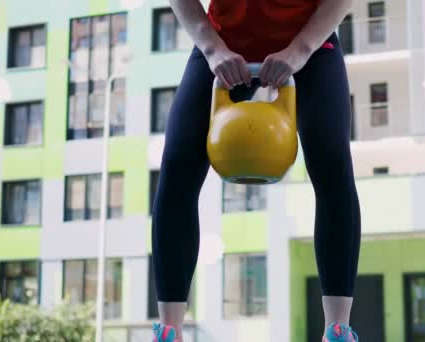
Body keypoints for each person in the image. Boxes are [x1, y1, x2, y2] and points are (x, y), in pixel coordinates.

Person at [151, 0, 361, 341]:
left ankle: (337, 329)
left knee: (332, 159)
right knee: (177, 166)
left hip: (310, 43)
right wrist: (212, 49)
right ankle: (169, 330)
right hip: (222, 46)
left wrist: (299, 51)